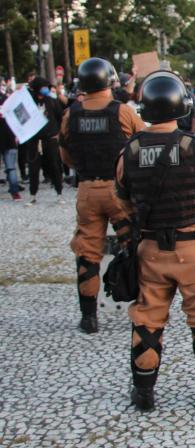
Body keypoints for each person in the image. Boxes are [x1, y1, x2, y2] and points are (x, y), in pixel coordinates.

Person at [115, 70, 195, 411]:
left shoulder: (129, 152)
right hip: (191, 248)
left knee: (147, 318)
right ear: (181, 107)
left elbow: (122, 202)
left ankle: (144, 392)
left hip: (149, 250)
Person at [57, 58, 146, 333]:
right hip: (119, 191)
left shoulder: (71, 114)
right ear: (110, 81)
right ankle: (144, 308)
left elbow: (66, 155)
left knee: (87, 252)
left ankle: (89, 317)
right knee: (135, 245)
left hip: (87, 190)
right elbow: (143, 144)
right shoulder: (123, 112)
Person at [22, 77, 64, 205]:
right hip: (34, 141)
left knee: (54, 166)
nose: (46, 89)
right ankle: (33, 195)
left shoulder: (52, 102)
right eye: (43, 86)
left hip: (50, 140)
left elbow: (60, 117)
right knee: (33, 168)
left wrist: (58, 133)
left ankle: (59, 192)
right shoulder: (29, 103)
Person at [0, 93, 22, 201]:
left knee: (11, 168)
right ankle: (15, 193)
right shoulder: (8, 99)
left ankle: (15, 191)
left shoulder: (8, 99)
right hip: (10, 138)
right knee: (11, 168)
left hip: (9, 138)